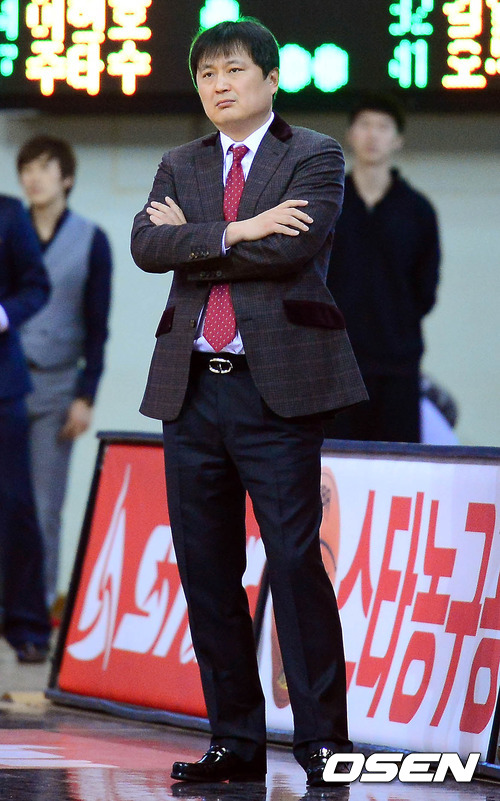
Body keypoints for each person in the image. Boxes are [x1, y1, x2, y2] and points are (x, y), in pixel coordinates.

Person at [131, 18, 367, 788]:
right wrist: (240, 228)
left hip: (280, 390)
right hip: (191, 389)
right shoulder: (180, 162)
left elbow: (292, 246)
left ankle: (323, 741)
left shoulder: (315, 154)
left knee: (295, 562)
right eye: (206, 74)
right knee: (207, 567)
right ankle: (233, 740)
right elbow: (147, 246)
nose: (219, 84)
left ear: (270, 78)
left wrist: (202, 239)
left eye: (233, 69)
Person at [17, 136, 112, 610]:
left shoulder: (91, 240)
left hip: (56, 385)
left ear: (67, 177)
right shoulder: (8, 232)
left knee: (44, 504)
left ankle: (36, 611)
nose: (33, 178)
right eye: (26, 169)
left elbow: (97, 327)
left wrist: (85, 395)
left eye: (44, 168)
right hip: (6, 380)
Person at [324, 94, 440, 443]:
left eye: (383, 127)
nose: (373, 135)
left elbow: (425, 289)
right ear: (350, 135)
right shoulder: (328, 204)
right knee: (336, 463)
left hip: (397, 365)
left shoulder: (417, 210)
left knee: (397, 460)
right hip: (336, 362)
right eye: (365, 125)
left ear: (397, 139)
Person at [0, 193, 52, 663]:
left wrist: (3, 315)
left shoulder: (9, 214)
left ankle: (28, 624)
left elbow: (37, 286)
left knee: (16, 505)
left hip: (3, 388)